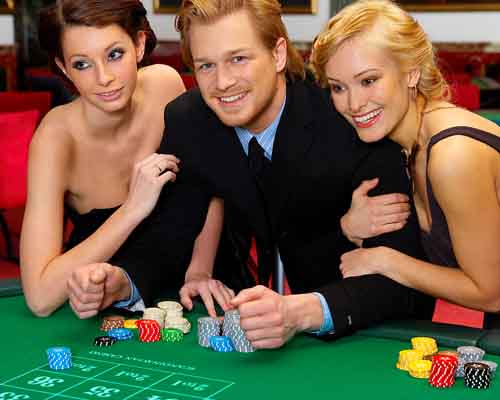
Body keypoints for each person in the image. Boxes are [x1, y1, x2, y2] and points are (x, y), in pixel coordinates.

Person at [159, 0, 429, 349]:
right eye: (206, 65)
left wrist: (300, 312)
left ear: (278, 54)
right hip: (238, 327)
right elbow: (170, 231)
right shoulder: (189, 120)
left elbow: (402, 283)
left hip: (362, 334)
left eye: (238, 59)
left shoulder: (352, 114)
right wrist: (182, 275)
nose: (222, 82)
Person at [20, 0, 234, 319]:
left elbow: (210, 184)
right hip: (115, 295)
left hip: (200, 279)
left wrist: (200, 270)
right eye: (82, 64)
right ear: (64, 68)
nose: (103, 77)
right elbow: (39, 296)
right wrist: (133, 208)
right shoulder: (55, 139)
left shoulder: (165, 85)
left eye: (114, 54)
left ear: (138, 44)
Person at [310, 0, 500, 326]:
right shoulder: (406, 145)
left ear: (411, 71)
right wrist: (351, 227)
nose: (354, 104)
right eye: (339, 87)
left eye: (368, 81)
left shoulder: (453, 154)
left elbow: (491, 293)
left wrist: (385, 260)